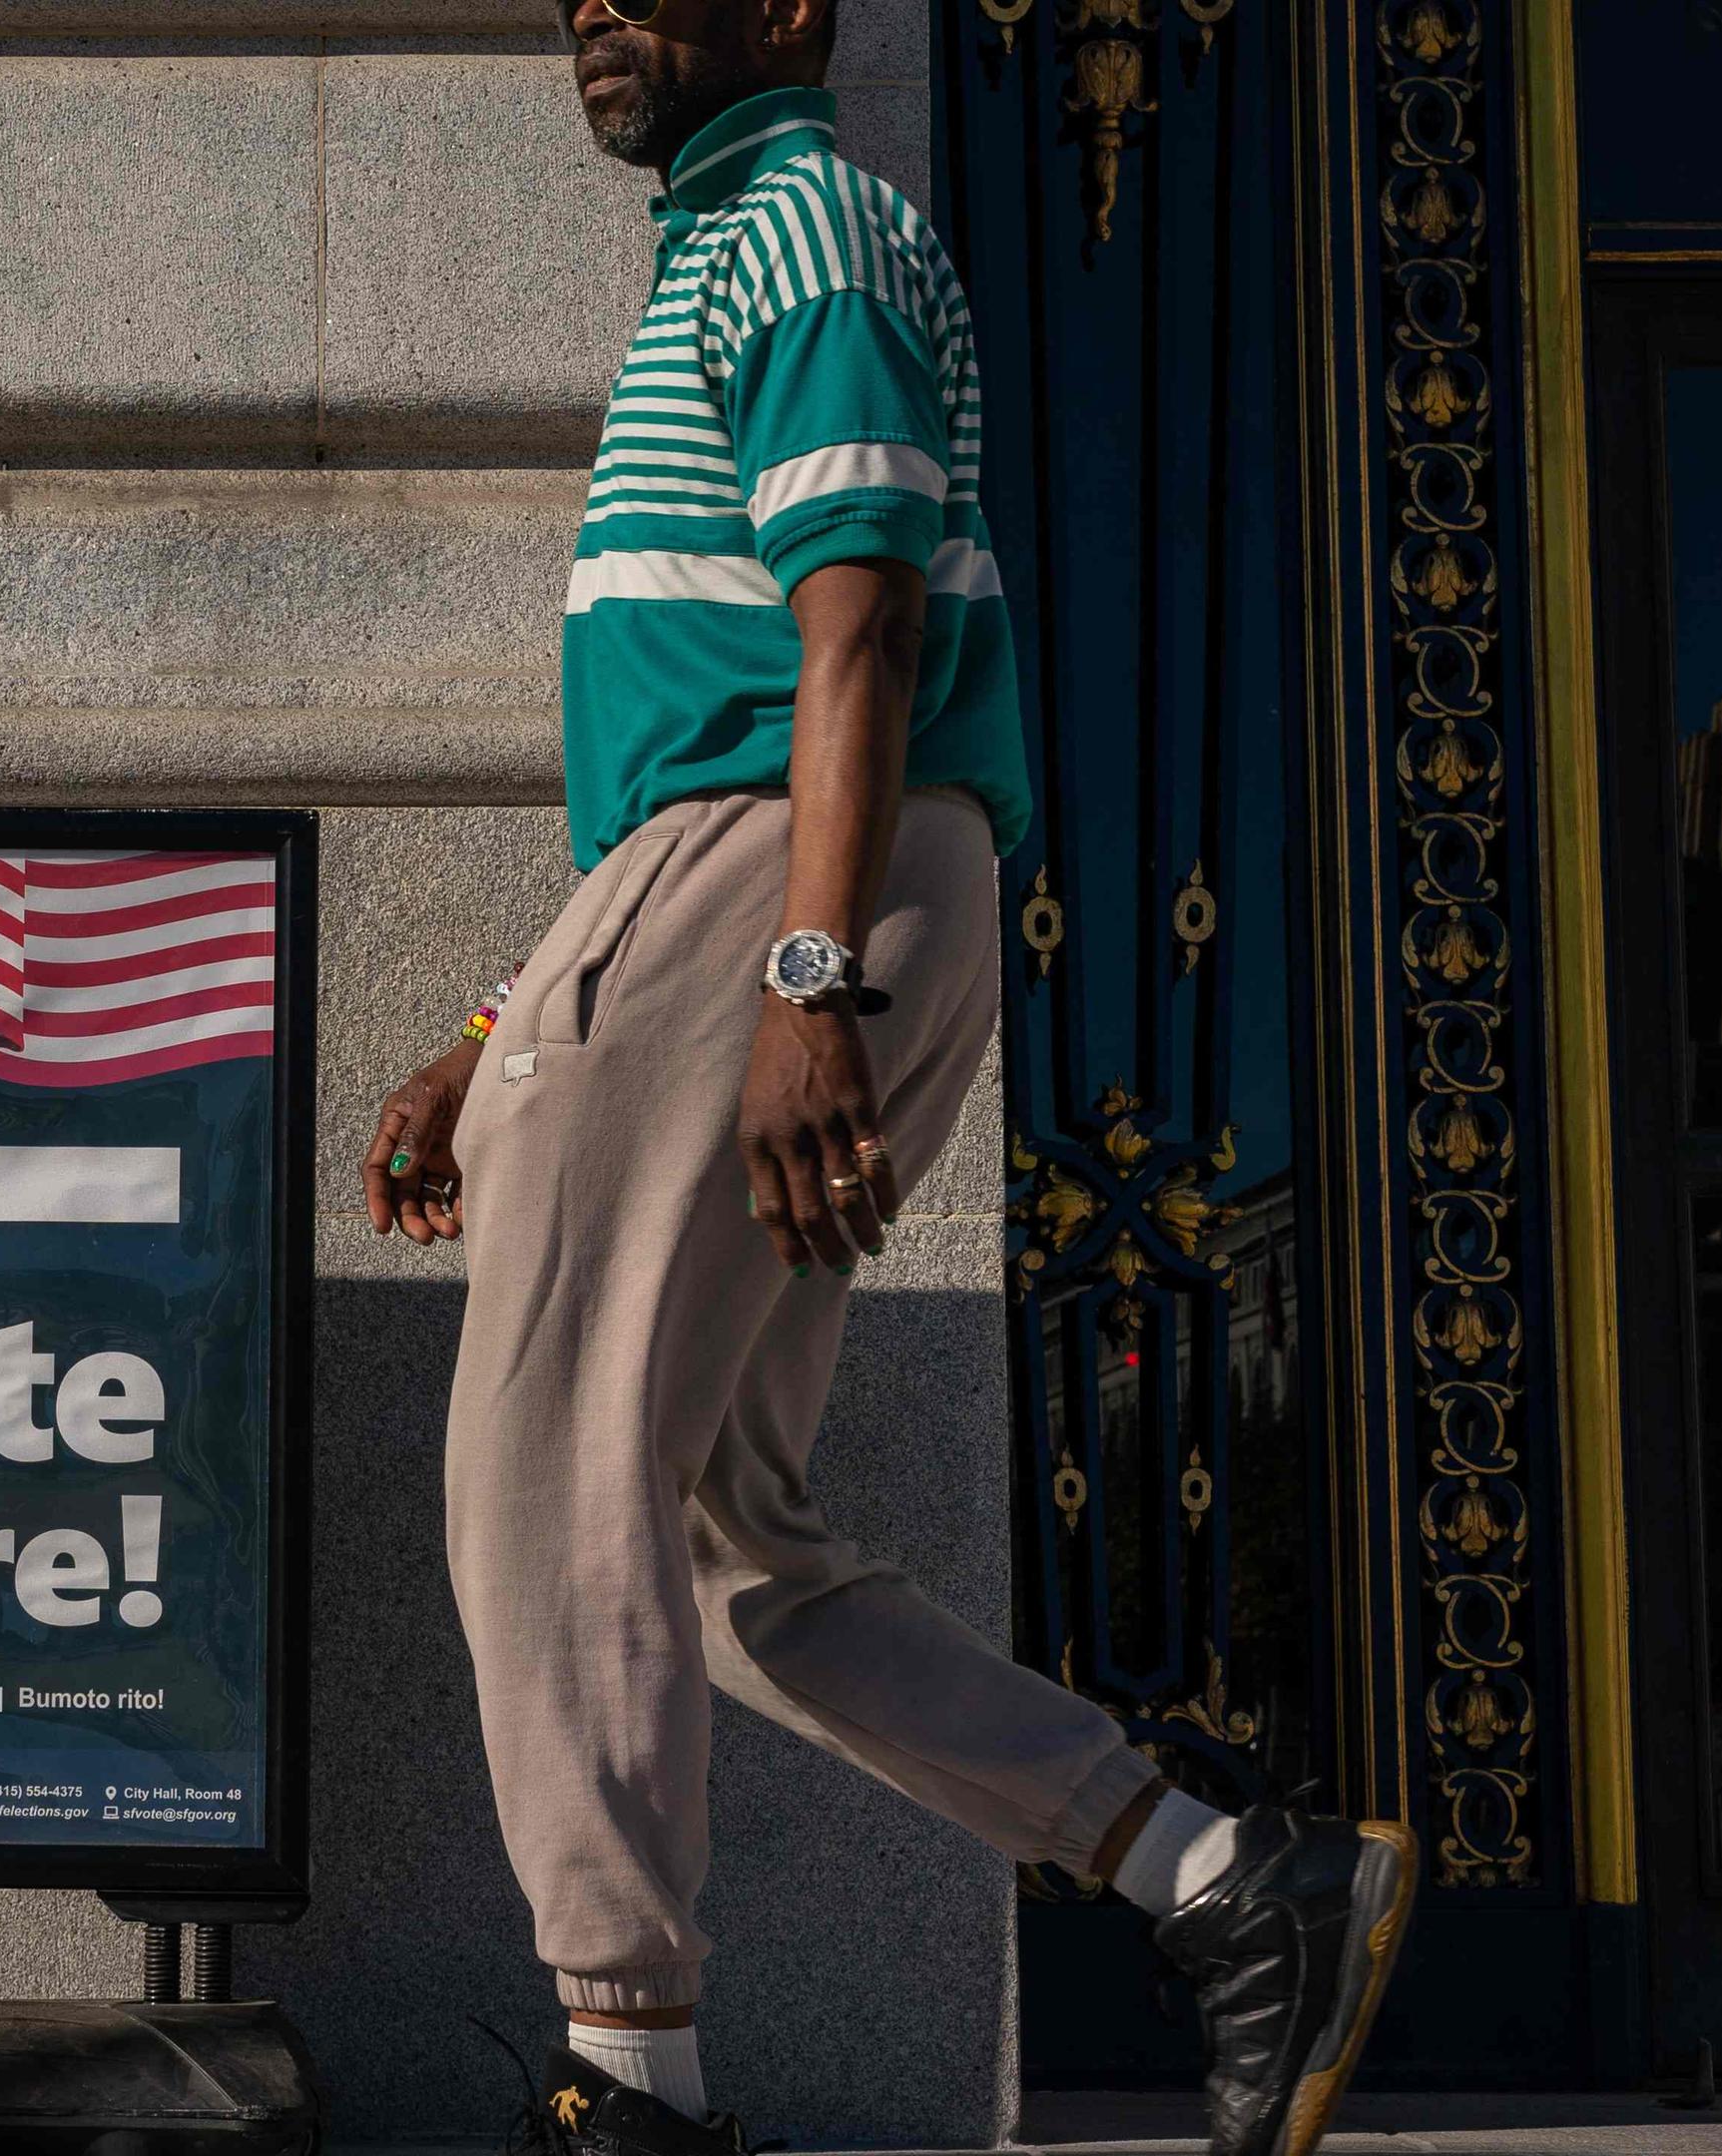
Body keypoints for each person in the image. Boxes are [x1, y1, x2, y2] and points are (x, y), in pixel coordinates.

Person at [360, 4, 1416, 2152]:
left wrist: (802, 980)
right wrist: (497, 1033)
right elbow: (741, 691)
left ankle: (625, 2076)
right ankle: (1222, 1879)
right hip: (762, 887)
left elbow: (856, 640)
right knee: (729, 1536)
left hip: (783, 883)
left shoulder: (806, 228)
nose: (596, 10)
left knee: (542, 1469)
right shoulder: (739, 242)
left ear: (792, 9)